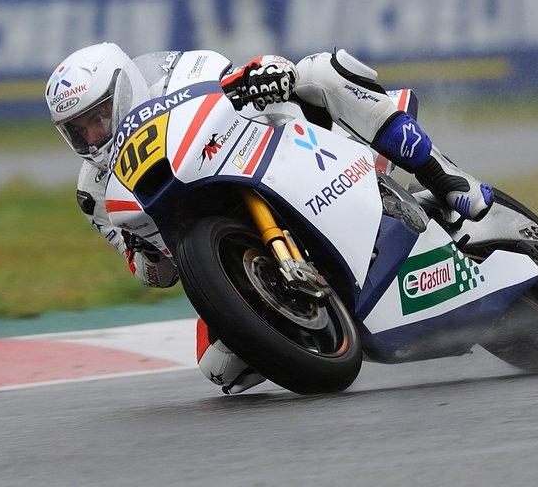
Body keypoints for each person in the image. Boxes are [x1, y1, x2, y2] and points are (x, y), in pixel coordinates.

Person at [45, 42, 495, 393]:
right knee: (220, 368)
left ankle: (445, 176)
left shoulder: (175, 74)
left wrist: (262, 73)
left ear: (124, 89)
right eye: (78, 131)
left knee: (320, 70)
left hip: (274, 150)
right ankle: (304, 315)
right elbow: (154, 274)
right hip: (228, 242)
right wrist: (145, 254)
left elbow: (234, 73)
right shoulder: (94, 194)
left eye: (98, 117)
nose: (92, 135)